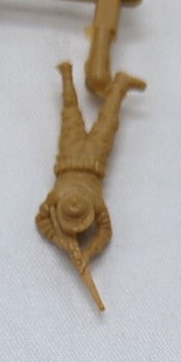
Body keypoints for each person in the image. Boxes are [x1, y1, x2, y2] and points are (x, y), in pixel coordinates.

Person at [36, 63, 144, 280]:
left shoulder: (57, 196)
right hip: (95, 159)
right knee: (107, 124)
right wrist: (71, 245)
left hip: (69, 155)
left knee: (70, 114)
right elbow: (105, 232)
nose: (75, 203)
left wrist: (84, 250)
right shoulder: (93, 202)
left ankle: (66, 75)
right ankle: (120, 85)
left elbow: (41, 219)